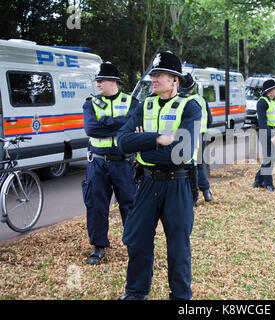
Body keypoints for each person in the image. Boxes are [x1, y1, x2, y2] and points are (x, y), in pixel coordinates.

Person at [116, 51, 202, 300]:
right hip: (147, 183)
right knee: (137, 241)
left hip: (179, 184)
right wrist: (158, 138)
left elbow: (180, 152)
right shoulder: (144, 105)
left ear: (174, 80)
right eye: (152, 74)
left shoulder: (191, 107)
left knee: (178, 247)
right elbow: (122, 141)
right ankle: (135, 293)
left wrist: (141, 143)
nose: (153, 79)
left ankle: (181, 297)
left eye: (159, 75)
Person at [82, 62, 139, 265]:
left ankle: (134, 244)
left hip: (124, 163)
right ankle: (98, 246)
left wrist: (106, 121)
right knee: (96, 205)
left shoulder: (132, 101)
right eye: (97, 80)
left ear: (113, 81)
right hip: (97, 163)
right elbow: (91, 129)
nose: (98, 84)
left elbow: (134, 124)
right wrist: (120, 124)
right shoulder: (90, 103)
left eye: (101, 80)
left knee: (130, 205)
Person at [180, 72, 214, 204]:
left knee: (189, 165)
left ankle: (192, 197)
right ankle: (206, 192)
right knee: (199, 164)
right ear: (192, 87)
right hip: (202, 135)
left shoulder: (182, 101)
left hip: (188, 135)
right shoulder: (201, 99)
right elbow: (210, 120)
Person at [253, 79, 275, 192]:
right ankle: (268, 184)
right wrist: (271, 135)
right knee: (268, 159)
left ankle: (258, 179)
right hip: (266, 133)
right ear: (269, 91)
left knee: (271, 158)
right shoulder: (262, 102)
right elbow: (262, 123)